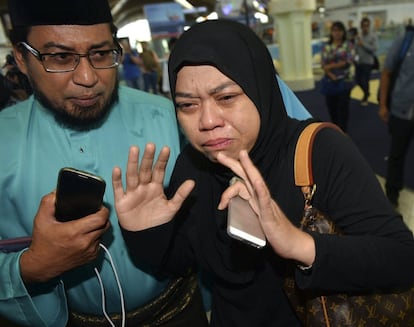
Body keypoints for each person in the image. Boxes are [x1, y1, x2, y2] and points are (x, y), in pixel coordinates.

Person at [112, 19, 414, 326]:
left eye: (226, 97)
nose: (207, 120)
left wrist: (297, 243)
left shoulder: (320, 150)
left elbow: (401, 258)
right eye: (188, 105)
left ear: (259, 88)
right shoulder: (193, 166)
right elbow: (183, 261)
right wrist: (148, 232)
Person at [0, 0, 209, 326]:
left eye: (100, 54)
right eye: (60, 57)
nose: (87, 77)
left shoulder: (169, 118)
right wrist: (33, 266)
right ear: (21, 59)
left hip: (181, 311)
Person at [378, 24, 414, 208]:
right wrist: (383, 105)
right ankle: (392, 195)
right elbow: (386, 72)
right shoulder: (404, 41)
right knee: (397, 154)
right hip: (401, 110)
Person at [321, 21, 354, 132]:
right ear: (331, 32)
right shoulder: (326, 46)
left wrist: (331, 66)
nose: (337, 33)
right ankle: (336, 131)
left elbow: (348, 61)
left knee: (343, 109)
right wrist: (331, 74)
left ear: (343, 32)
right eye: (334, 30)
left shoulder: (348, 45)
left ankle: (343, 132)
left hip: (344, 81)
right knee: (332, 109)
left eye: (339, 30)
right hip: (330, 82)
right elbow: (323, 65)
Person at [355, 17, 378, 106]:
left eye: (367, 26)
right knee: (358, 81)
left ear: (369, 26)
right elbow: (356, 49)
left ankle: (365, 97)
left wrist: (363, 44)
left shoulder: (373, 36)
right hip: (359, 62)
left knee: (365, 80)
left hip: (368, 62)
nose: (365, 27)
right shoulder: (359, 36)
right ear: (361, 26)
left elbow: (374, 48)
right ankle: (367, 92)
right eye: (363, 26)